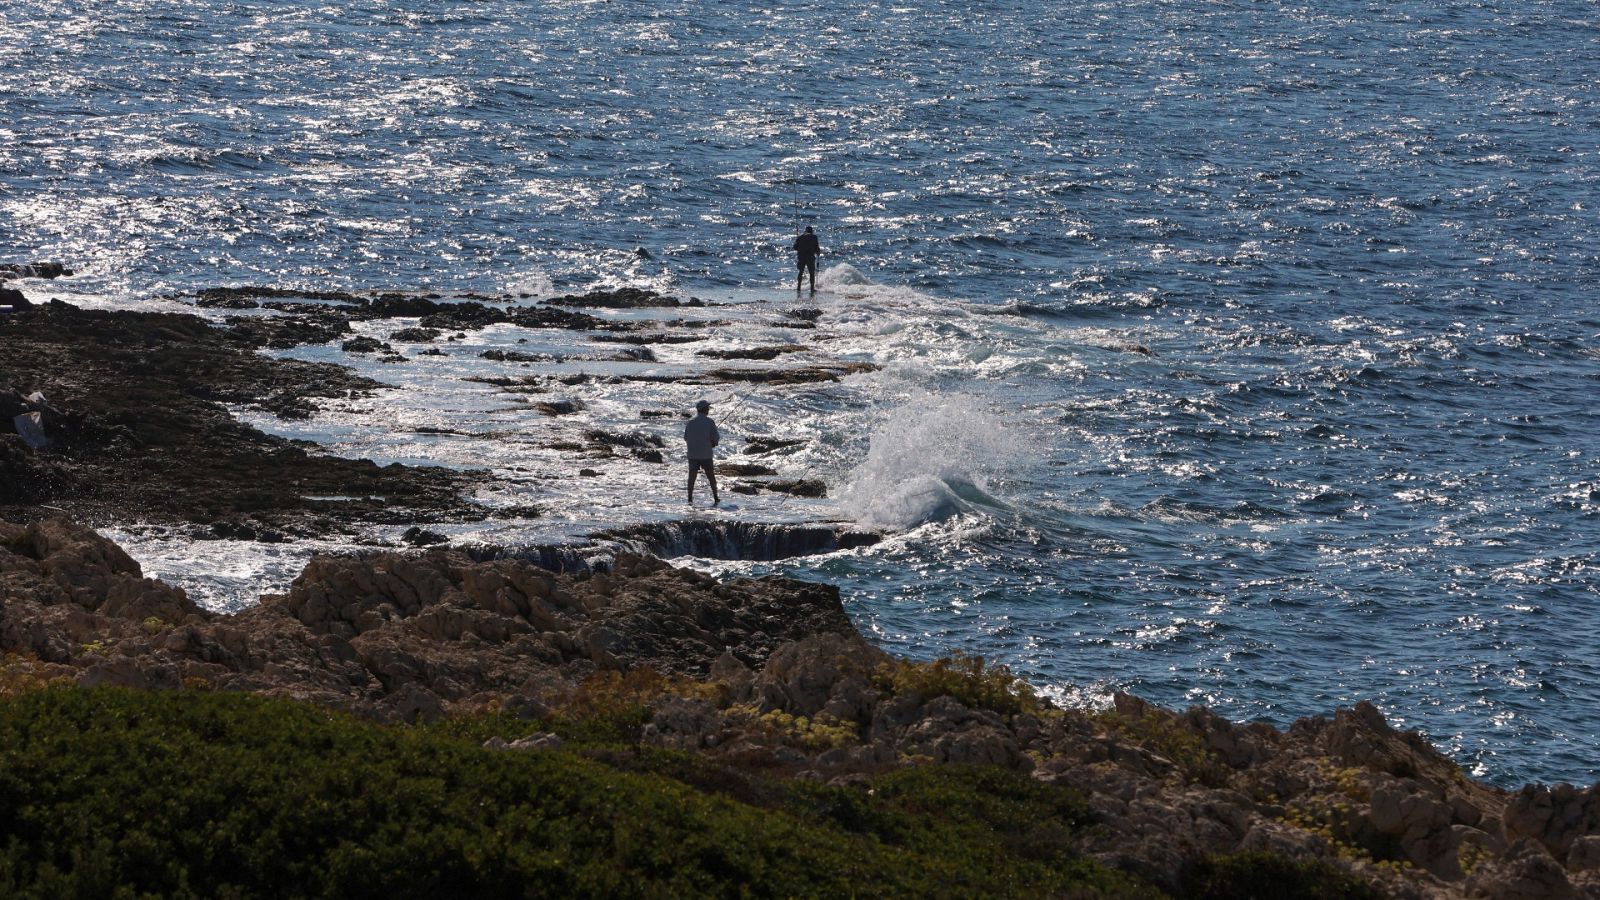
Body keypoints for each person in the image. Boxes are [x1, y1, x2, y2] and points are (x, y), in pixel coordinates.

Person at [684, 399, 720, 505]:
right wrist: (712, 443)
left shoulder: (690, 422)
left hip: (693, 454)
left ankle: (690, 498)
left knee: (692, 477)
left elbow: (686, 437)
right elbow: (716, 439)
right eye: (707, 408)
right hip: (706, 455)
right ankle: (716, 497)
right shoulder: (710, 422)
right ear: (704, 409)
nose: (708, 409)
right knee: (711, 477)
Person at [792, 226, 820, 294]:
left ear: (805, 230)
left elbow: (795, 247)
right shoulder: (814, 237)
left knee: (800, 272)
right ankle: (812, 288)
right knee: (811, 273)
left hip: (801, 257)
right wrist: (818, 253)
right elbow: (817, 247)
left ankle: (798, 287)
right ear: (811, 231)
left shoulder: (800, 237)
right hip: (810, 257)